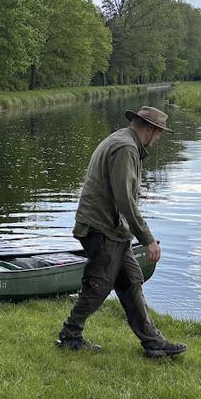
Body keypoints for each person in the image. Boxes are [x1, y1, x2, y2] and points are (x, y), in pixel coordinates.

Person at [57, 106, 187, 358]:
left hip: (112, 229)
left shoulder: (122, 139)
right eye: (158, 132)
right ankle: (70, 336)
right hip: (103, 228)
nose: (158, 138)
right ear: (149, 129)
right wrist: (147, 239)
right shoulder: (126, 148)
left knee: (130, 282)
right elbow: (125, 200)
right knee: (98, 286)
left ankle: (153, 343)